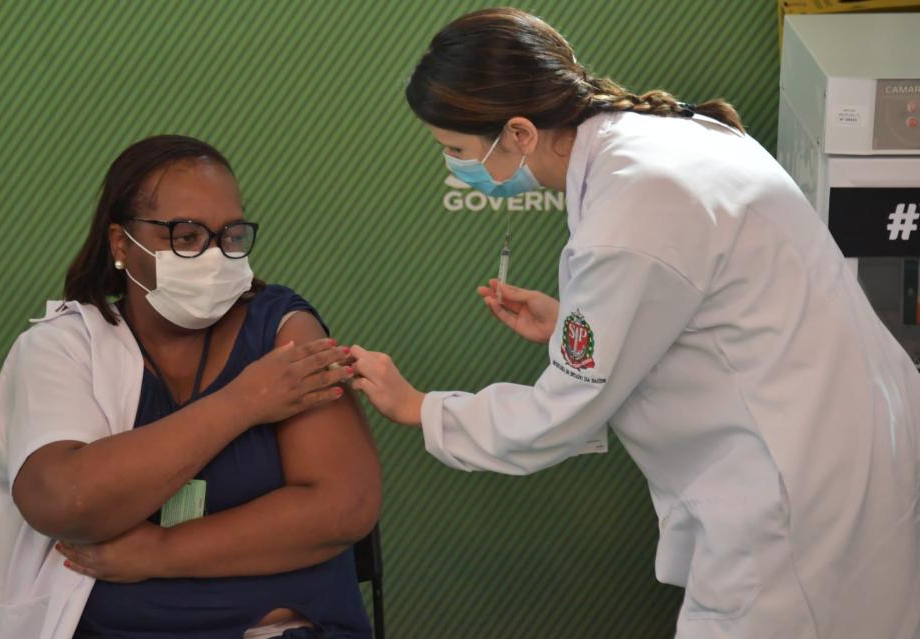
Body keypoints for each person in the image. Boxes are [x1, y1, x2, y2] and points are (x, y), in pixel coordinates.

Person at [349, 8, 920, 638]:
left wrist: (420, 407)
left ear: (517, 132)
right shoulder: (671, 134)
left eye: (457, 150)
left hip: (796, 492)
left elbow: (561, 413)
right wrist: (577, 321)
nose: (457, 166)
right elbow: (710, 305)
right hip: (852, 439)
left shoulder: (630, 211)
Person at [0, 135, 380, 639]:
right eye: (185, 236)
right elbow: (63, 502)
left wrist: (160, 552)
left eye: (231, 235)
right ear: (121, 244)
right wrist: (242, 403)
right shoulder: (63, 348)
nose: (215, 255)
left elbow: (343, 507)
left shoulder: (281, 331)